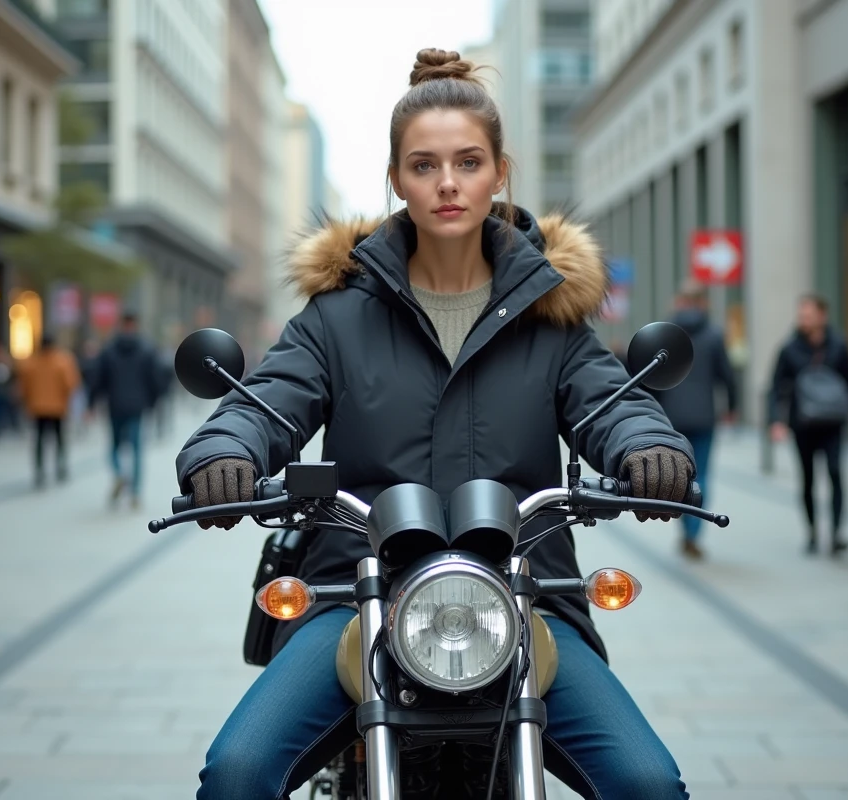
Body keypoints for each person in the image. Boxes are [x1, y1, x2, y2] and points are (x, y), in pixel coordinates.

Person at [176, 49, 698, 800]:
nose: (447, 183)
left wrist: (650, 445)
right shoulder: (336, 315)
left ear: (498, 171)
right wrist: (225, 450)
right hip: (358, 594)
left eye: (468, 161)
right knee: (237, 772)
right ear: (395, 178)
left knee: (648, 783)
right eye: (424, 165)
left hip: (526, 596)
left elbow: (614, 402)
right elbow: (266, 399)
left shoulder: (552, 318)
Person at [768, 293, 848, 556]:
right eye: (801, 316)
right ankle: (812, 533)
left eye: (808, 315)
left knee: (835, 473)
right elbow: (776, 387)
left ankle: (836, 534)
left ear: (823, 316)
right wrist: (776, 420)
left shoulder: (838, 345)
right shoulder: (789, 348)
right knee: (808, 479)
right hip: (803, 423)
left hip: (833, 422)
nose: (804, 320)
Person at [651, 279, 737, 560]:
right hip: (704, 416)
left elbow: (652, 378)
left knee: (679, 475)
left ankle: (684, 525)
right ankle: (693, 533)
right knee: (704, 476)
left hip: (672, 417)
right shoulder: (713, 334)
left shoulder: (666, 333)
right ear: (704, 303)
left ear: (679, 302)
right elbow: (727, 375)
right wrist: (732, 407)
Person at [89, 312, 162, 509]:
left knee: (114, 447)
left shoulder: (109, 350)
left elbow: (98, 379)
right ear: (135, 325)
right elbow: (155, 379)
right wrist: (153, 403)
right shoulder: (146, 349)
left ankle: (120, 473)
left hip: (115, 405)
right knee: (137, 449)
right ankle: (135, 493)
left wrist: (91, 403)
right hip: (137, 407)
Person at [17, 334, 82, 487]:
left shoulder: (31, 362)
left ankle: (40, 471)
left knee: (39, 440)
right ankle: (60, 467)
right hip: (58, 408)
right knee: (59, 439)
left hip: (37, 408)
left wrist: (28, 400)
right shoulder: (63, 361)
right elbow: (71, 383)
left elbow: (23, 386)